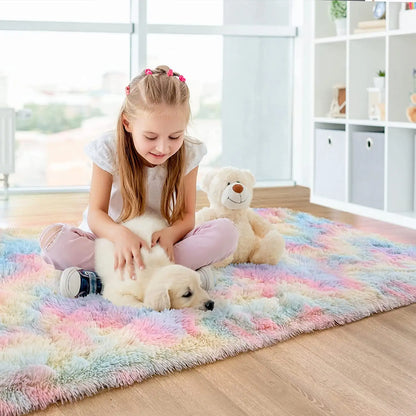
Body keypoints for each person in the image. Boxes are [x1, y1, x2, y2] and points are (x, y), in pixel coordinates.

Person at [39, 65, 239, 298]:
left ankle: (99, 282)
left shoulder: (189, 153)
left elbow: (186, 216)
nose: (163, 147)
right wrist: (120, 235)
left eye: (175, 136)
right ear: (127, 123)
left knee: (227, 233)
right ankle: (176, 277)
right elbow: (96, 213)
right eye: (151, 137)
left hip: (158, 246)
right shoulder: (108, 149)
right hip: (110, 243)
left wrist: (171, 234)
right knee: (54, 241)